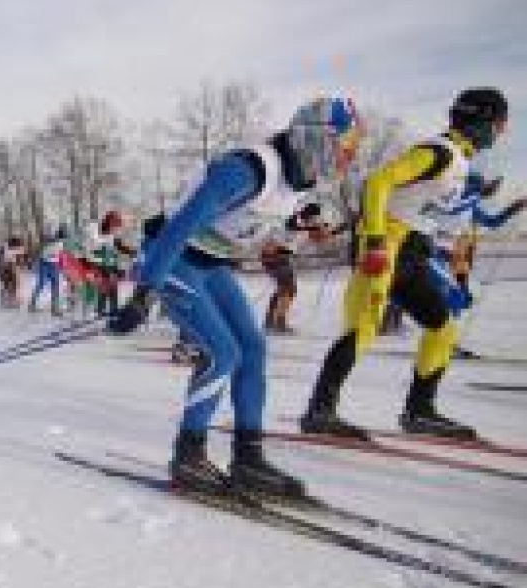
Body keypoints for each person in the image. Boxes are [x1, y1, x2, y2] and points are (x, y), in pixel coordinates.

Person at [112, 97, 362, 498]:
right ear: (316, 139)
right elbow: (180, 226)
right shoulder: (248, 169)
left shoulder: (294, 182)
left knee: (253, 348)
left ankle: (249, 458)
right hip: (172, 258)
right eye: (344, 147)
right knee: (221, 353)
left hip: (210, 266)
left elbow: (254, 225)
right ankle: (189, 454)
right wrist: (144, 292)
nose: (346, 159)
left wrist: (302, 226)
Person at [301, 88, 509, 441]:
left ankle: (420, 412)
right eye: (500, 124)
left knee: (442, 327)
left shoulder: (458, 160)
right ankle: (319, 411)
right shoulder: (439, 152)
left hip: (411, 250)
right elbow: (378, 182)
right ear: (484, 122)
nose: (502, 132)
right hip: (384, 244)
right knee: (364, 328)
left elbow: (438, 211)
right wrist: (378, 241)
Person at [260, 202, 343, 334]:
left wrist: (338, 230)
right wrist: (316, 227)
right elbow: (295, 225)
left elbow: (318, 238)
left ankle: (271, 321)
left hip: (281, 257)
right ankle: (278, 322)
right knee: (289, 288)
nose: (317, 219)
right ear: (309, 214)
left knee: (285, 288)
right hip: (272, 256)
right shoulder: (295, 218)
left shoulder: (308, 224)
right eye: (315, 216)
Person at [30, 227, 67, 315]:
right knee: (41, 284)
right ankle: (32, 305)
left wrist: (61, 265)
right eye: (64, 237)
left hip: (54, 265)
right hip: (45, 264)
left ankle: (54, 308)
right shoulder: (51, 241)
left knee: (55, 286)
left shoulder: (60, 243)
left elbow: (59, 255)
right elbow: (43, 252)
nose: (64, 239)